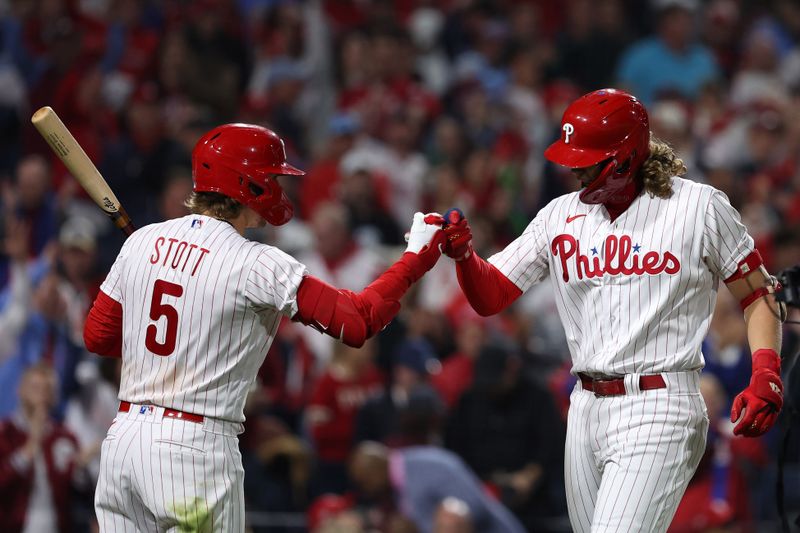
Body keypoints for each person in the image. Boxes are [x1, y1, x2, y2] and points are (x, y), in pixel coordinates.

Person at [437, 88, 785, 532]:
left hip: (660, 401)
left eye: (587, 159)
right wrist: (465, 256)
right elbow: (491, 298)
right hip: (584, 408)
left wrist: (766, 371)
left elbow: (758, 292)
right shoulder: (558, 215)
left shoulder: (698, 206)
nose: (575, 169)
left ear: (625, 155)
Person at [82, 123, 447, 531]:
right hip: (192, 451)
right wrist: (416, 256)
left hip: (123, 444)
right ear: (245, 182)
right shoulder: (256, 262)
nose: (277, 186)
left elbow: (98, 337)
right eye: (271, 177)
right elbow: (357, 321)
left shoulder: (142, 241)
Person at [348, 441, 525, 533]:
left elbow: (474, 508)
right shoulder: (396, 486)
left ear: (375, 468)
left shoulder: (429, 465)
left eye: (364, 481)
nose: (366, 489)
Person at [0, 362, 90, 533]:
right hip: (12, 525)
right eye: (35, 387)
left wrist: (81, 470)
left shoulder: (64, 436)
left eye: (46, 388)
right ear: (20, 390)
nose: (41, 394)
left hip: (56, 525)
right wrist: (30, 447)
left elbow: (78, 491)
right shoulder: (5, 433)